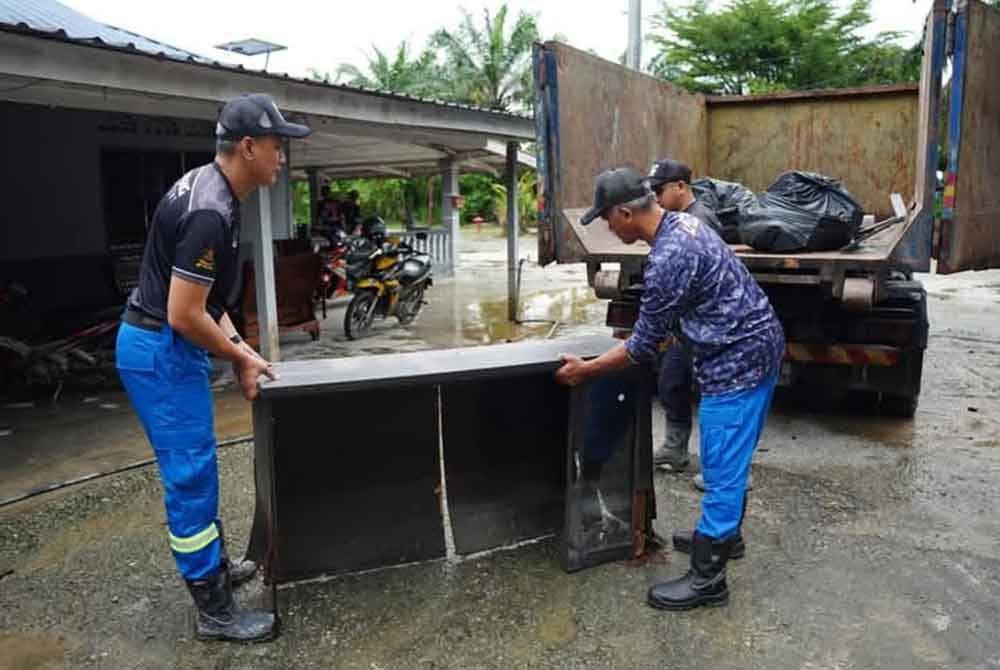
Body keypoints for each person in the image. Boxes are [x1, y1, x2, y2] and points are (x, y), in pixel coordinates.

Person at [115, 93, 310, 642]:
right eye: (277, 147)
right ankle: (215, 611)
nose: (282, 158)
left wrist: (242, 354)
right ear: (248, 147)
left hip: (162, 344)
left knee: (198, 469)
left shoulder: (213, 188)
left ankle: (217, 571)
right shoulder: (210, 210)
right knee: (191, 478)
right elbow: (183, 314)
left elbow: (209, 302)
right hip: (160, 350)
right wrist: (236, 354)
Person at [555, 167, 784, 611]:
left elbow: (642, 346)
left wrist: (587, 370)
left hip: (737, 362)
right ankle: (726, 537)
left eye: (607, 219)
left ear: (625, 212)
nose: (607, 228)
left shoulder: (669, 256)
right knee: (733, 459)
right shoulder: (684, 223)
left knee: (721, 469)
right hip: (758, 344)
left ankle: (708, 578)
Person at [645, 159, 722, 474]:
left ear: (680, 186)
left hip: (703, 327)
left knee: (712, 396)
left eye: (659, 190)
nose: (656, 199)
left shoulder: (700, 221)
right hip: (682, 328)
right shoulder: (673, 221)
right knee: (671, 383)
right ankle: (675, 449)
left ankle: (719, 467)